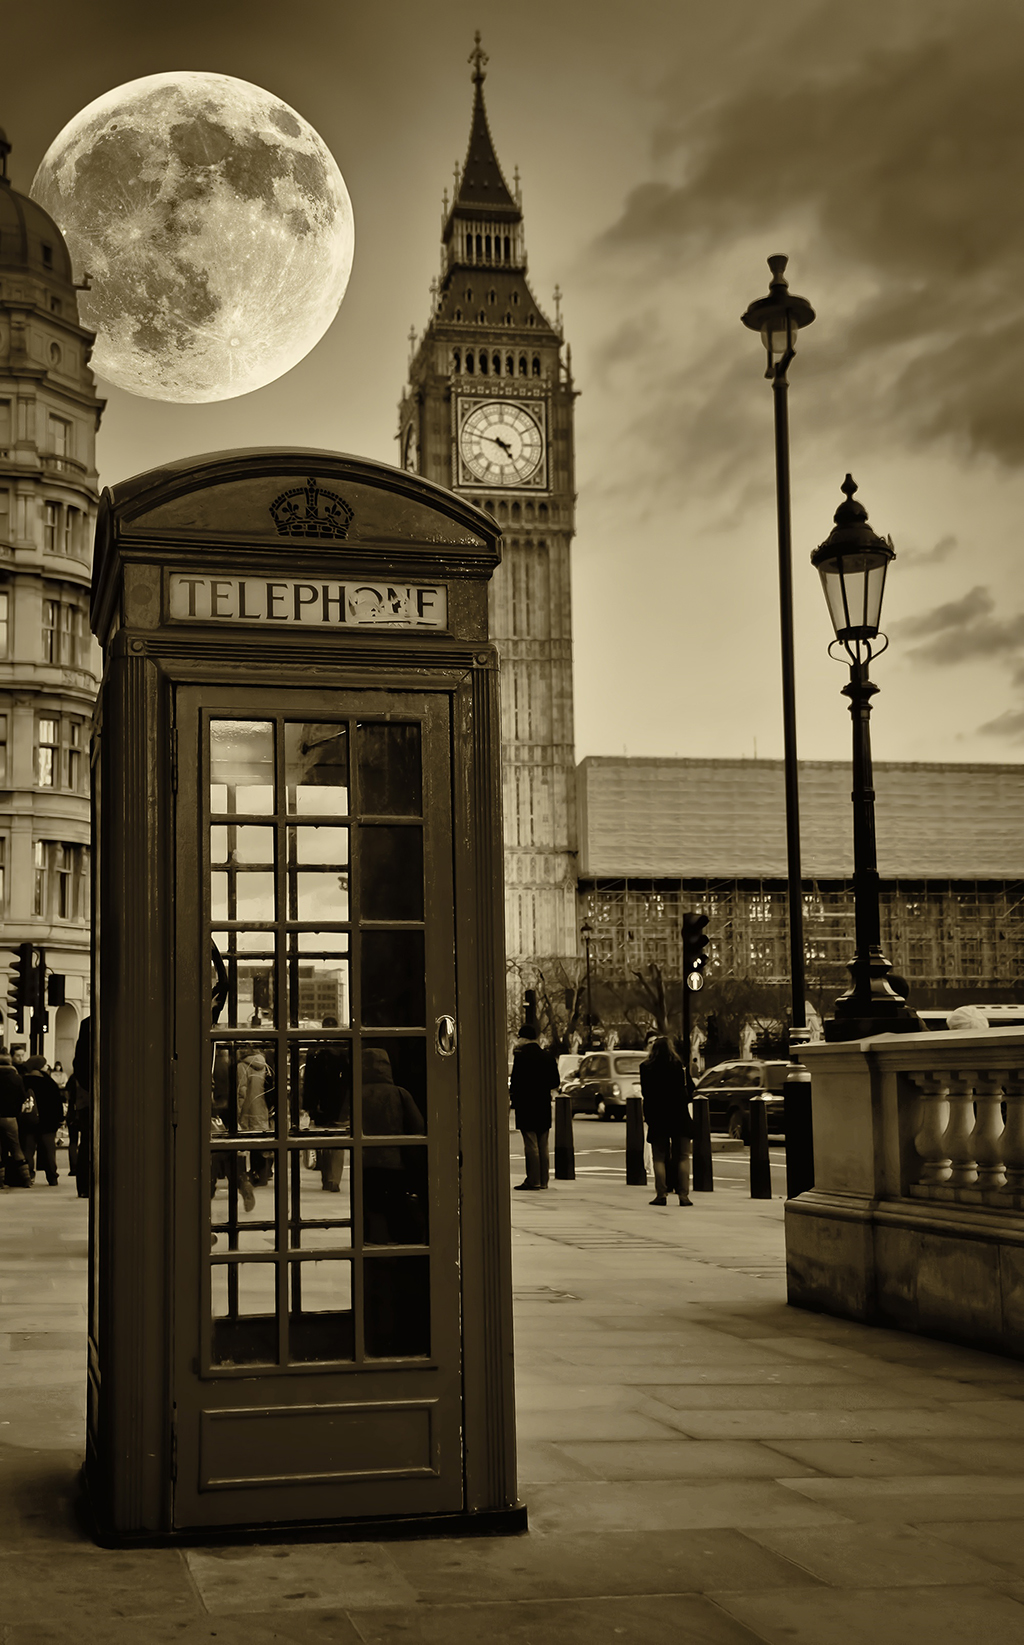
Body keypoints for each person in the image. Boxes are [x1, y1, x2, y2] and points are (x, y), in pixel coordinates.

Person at [640, 1035, 693, 1207]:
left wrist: (648, 1116)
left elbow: (646, 1093)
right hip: (679, 1115)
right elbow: (689, 1091)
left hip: (658, 1116)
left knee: (659, 1157)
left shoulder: (646, 1067)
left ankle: (661, 1194)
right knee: (683, 1156)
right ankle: (683, 1195)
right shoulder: (678, 1066)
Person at [301, 1017, 351, 1193]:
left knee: (326, 1143)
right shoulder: (345, 1050)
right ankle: (332, 1179)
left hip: (322, 1104)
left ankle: (329, 1179)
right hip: (338, 1105)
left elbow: (308, 1081)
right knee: (335, 1144)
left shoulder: (315, 1051)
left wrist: (308, 1105)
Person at [509, 1023, 559, 1190]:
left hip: (527, 1105)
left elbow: (515, 1083)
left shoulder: (521, 1057)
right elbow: (555, 1082)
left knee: (531, 1144)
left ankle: (533, 1180)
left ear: (523, 1038)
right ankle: (544, 1180)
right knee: (543, 1144)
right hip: (543, 1104)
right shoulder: (547, 1057)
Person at [21, 1056, 65, 1186]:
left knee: (28, 1151)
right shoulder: (49, 1082)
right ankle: (52, 1177)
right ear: (40, 1067)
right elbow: (57, 1104)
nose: (47, 1067)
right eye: (45, 1065)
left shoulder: (23, 1081)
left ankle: (28, 1176)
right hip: (47, 1123)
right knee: (49, 1152)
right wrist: (59, 1119)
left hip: (28, 1122)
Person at [0, 1052, 30, 1188]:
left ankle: (0, 1181)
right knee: (16, 1148)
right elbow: (23, 1097)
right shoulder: (17, 1078)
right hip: (10, 1117)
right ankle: (26, 1179)